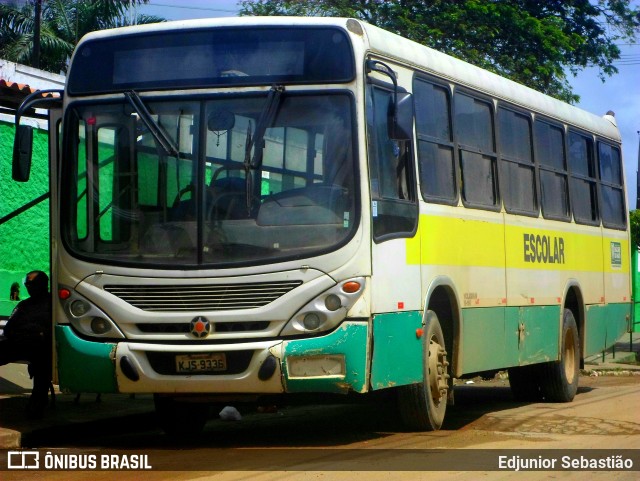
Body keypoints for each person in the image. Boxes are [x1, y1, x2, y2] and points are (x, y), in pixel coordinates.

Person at [0, 271, 52, 418]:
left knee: (42, 361)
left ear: (43, 285)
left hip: (40, 348)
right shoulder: (24, 305)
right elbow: (9, 329)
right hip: (18, 344)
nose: (29, 288)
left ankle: (38, 401)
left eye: (32, 285)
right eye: (27, 285)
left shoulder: (54, 305)